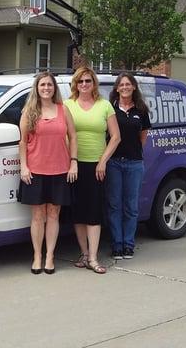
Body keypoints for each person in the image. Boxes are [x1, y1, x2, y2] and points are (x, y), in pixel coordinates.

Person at [18, 71, 78, 275]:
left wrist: (74, 163)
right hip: (35, 171)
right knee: (37, 215)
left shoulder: (63, 110)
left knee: (53, 215)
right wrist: (23, 167)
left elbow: (73, 137)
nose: (46, 88)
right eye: (42, 85)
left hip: (60, 170)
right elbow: (23, 142)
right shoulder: (29, 111)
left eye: (49, 85)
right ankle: (37, 256)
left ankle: (50, 256)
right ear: (37, 88)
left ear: (54, 88)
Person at [64, 66, 120, 274]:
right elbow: (64, 134)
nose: (84, 85)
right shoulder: (67, 105)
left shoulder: (104, 106)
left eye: (88, 81)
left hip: (97, 166)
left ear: (94, 83)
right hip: (74, 165)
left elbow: (115, 137)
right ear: (75, 85)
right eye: (81, 82)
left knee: (94, 212)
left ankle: (94, 258)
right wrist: (72, 161)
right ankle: (84, 253)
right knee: (78, 212)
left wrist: (103, 161)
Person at [106, 73, 151, 260]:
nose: (124, 87)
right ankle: (117, 244)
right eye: (121, 84)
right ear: (116, 88)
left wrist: (134, 153)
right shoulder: (110, 109)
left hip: (134, 163)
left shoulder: (141, 110)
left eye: (128, 84)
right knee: (114, 205)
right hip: (114, 163)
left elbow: (143, 137)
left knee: (131, 206)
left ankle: (128, 245)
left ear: (134, 87)